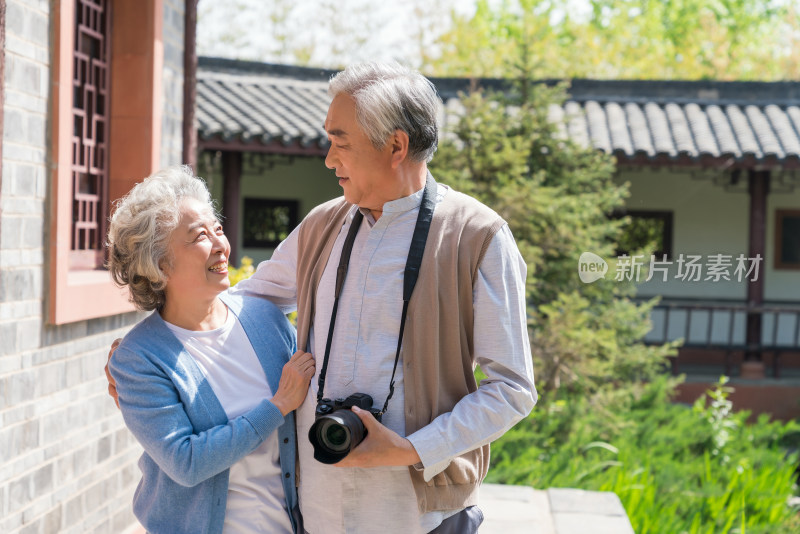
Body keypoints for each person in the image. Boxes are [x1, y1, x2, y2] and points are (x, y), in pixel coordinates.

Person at [108, 62, 536, 534]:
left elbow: (513, 390)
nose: (329, 160)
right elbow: (238, 303)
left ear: (396, 146)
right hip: (314, 513)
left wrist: (411, 449)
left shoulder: (478, 237)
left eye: (340, 142)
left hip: (418, 514)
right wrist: (152, 352)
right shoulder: (321, 225)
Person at [105, 166, 313, 534]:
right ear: (160, 265)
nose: (220, 244)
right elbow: (186, 462)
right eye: (200, 236)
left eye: (218, 229)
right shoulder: (139, 359)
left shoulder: (264, 318)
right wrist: (277, 407)